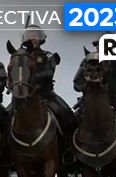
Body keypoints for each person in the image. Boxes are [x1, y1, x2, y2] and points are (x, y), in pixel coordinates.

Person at [19, 25, 77, 165]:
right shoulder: (20, 57)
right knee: (7, 116)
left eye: (36, 36)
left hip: (46, 94)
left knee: (68, 115)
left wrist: (30, 77)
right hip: (25, 97)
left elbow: (48, 73)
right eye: (30, 36)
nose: (33, 38)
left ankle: (69, 150)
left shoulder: (48, 55)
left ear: (41, 39)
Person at [73, 37, 116, 134]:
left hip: (114, 100)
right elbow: (77, 83)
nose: (98, 47)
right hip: (90, 100)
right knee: (69, 122)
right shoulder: (87, 61)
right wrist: (88, 85)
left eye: (103, 44)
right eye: (97, 44)